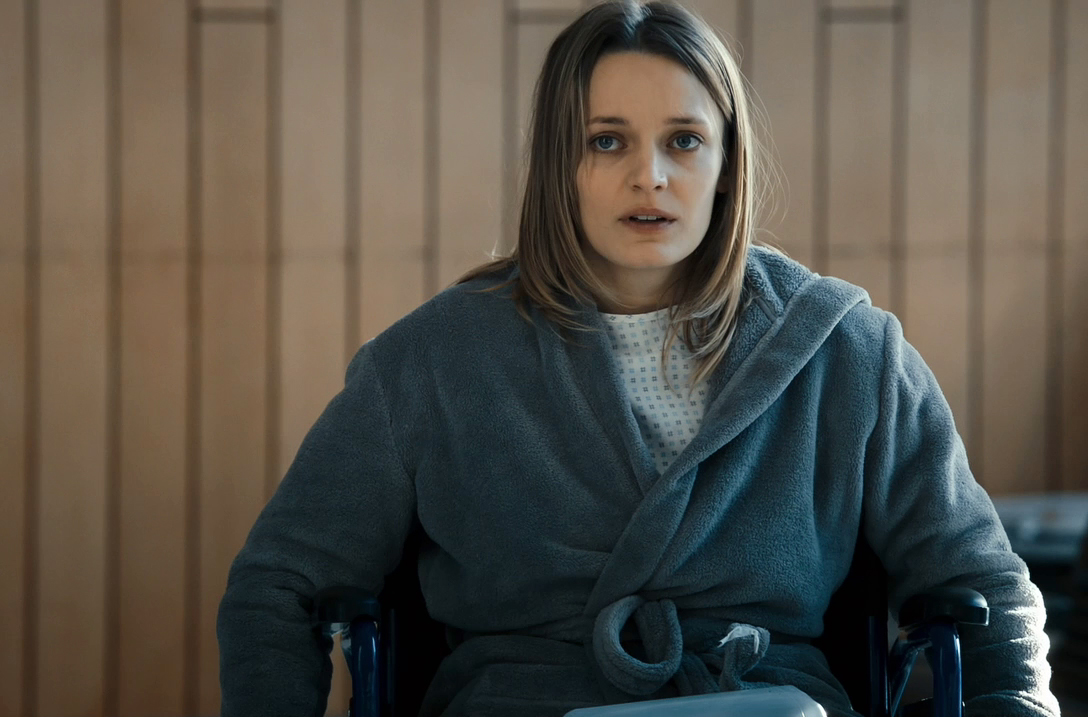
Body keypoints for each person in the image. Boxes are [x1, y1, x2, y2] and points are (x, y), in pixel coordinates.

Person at [217, 2, 1059, 715]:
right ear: (561, 163)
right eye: (607, 141)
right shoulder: (429, 363)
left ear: (726, 164)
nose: (649, 176)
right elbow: (278, 584)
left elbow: (987, 587)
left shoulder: (848, 350)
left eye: (684, 141)